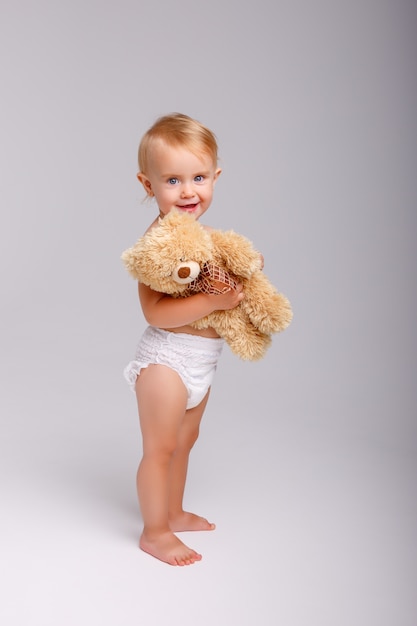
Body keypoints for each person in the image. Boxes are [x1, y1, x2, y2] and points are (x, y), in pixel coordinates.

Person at [124, 113, 245, 566]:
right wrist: (214, 305)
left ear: (215, 176)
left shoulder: (205, 237)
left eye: (198, 177)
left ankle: (172, 511)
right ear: (148, 184)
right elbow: (154, 310)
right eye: (172, 180)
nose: (188, 191)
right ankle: (154, 532)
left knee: (185, 440)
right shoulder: (155, 243)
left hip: (203, 358)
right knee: (160, 447)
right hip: (166, 361)